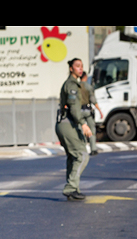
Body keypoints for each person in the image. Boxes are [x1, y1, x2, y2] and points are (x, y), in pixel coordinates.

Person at [56, 58, 93, 202]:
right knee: (82, 155)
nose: (80, 68)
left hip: (66, 123)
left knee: (73, 156)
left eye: (81, 66)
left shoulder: (75, 84)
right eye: (77, 66)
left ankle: (73, 190)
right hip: (68, 123)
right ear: (71, 68)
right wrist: (83, 124)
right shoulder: (71, 85)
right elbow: (73, 108)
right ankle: (71, 187)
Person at [80, 72, 104, 156]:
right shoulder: (88, 87)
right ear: (85, 77)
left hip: (79, 111)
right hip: (87, 111)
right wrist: (100, 111)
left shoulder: (76, 87)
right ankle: (93, 149)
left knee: (80, 130)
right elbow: (93, 100)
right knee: (91, 130)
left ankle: (82, 149)